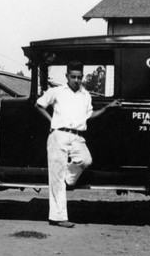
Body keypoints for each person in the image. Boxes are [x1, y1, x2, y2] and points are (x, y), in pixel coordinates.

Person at [35, 60, 120, 228]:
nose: (76, 80)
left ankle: (67, 179)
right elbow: (38, 105)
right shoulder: (57, 91)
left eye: (79, 77)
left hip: (77, 137)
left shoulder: (85, 95)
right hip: (58, 135)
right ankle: (58, 218)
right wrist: (52, 121)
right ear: (67, 76)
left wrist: (107, 108)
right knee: (56, 179)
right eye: (73, 77)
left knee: (85, 160)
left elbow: (89, 115)